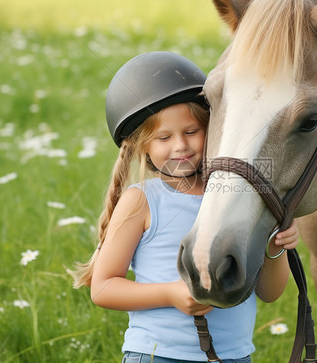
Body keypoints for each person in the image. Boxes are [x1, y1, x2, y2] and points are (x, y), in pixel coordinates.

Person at [71, 51, 299, 363]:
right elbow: (103, 288)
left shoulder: (239, 198)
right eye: (163, 137)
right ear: (142, 146)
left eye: (191, 132)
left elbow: (270, 293)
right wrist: (170, 294)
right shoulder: (142, 201)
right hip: (156, 356)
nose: (180, 145)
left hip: (233, 357)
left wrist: (277, 246)